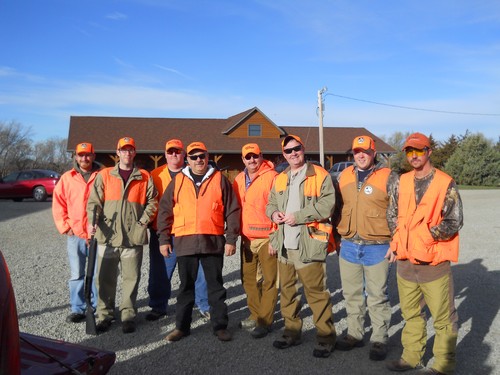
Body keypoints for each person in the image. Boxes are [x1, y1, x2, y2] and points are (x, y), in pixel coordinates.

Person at [386, 132, 463, 375]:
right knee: (411, 315)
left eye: (419, 151)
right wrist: (397, 240)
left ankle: (443, 365)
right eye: (409, 151)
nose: (414, 155)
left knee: (443, 318)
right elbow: (392, 214)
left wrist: (427, 237)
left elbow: (454, 220)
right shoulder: (402, 181)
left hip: (433, 263)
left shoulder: (445, 182)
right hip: (406, 262)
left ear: (429, 152)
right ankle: (411, 358)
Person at [157, 141, 240, 342]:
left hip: (212, 241)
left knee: (216, 287)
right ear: (188, 159)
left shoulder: (220, 179)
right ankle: (182, 327)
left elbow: (233, 210)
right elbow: (165, 211)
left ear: (207, 156)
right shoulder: (177, 181)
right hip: (185, 243)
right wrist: (164, 239)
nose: (198, 160)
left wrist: (231, 239)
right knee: (185, 287)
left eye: (201, 156)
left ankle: (220, 326)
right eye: (193, 157)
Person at [266, 135, 336, 358]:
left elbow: (327, 206)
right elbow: (270, 203)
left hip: (308, 243)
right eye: (288, 151)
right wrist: (273, 214)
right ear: (283, 155)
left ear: (303, 149)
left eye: (296, 149)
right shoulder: (280, 177)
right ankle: (291, 332)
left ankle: (326, 338)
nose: (293, 153)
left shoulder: (319, 175)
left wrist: (299, 217)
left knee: (316, 293)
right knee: (287, 292)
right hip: (285, 245)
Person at [333, 135, 399, 361]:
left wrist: (396, 243)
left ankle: (379, 338)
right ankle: (354, 333)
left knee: (377, 295)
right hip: (349, 243)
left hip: (378, 246)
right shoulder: (344, 176)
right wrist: (337, 237)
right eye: (357, 151)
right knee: (351, 294)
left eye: (365, 151)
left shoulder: (390, 178)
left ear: (374, 152)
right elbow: (338, 208)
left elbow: (400, 212)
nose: (361, 155)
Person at [87, 137, 158, 334]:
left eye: (130, 150)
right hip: (107, 237)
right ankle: (104, 315)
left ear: (134, 152)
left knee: (131, 278)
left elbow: (153, 201)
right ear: (117, 152)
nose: (127, 153)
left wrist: (143, 221)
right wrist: (92, 221)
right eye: (123, 150)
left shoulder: (144, 176)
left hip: (132, 237)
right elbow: (94, 202)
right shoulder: (105, 175)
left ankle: (128, 315)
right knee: (104, 279)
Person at [146, 139, 210, 321]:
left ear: (184, 155)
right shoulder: (155, 175)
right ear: (165, 154)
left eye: (178, 151)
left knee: (197, 272)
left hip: (188, 231)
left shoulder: (194, 174)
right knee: (160, 271)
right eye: (170, 152)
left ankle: (203, 304)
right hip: (163, 232)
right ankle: (158, 306)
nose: (174, 155)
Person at [233, 143, 278, 338]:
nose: (252, 160)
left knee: (269, 281)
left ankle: (265, 321)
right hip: (246, 239)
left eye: (255, 156)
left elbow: (279, 207)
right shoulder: (238, 179)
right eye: (248, 157)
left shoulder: (273, 177)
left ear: (261, 156)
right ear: (243, 159)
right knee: (249, 280)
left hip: (267, 237)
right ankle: (255, 314)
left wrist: (276, 236)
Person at [52, 142, 101, 323]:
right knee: (77, 274)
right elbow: (58, 204)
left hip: (98, 235)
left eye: (88, 155)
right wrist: (66, 227)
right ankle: (77, 308)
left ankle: (95, 307)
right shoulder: (67, 178)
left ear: (93, 156)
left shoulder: (102, 176)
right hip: (76, 235)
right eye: (81, 155)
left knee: (97, 274)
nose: (84, 158)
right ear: (76, 157)